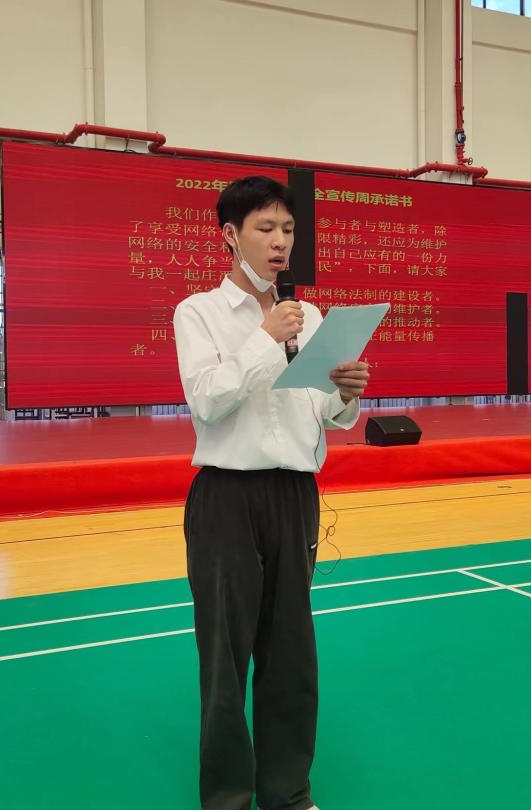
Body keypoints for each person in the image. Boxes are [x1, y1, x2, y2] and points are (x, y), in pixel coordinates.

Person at [172, 175, 370, 810]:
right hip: (227, 498)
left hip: (294, 496)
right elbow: (207, 400)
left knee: (291, 654)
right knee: (226, 659)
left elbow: (322, 414)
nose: (281, 241)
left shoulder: (310, 319)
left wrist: (345, 392)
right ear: (231, 236)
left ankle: (287, 792)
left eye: (288, 229)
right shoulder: (198, 313)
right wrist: (264, 337)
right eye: (266, 228)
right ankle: (228, 797)